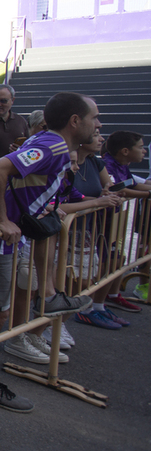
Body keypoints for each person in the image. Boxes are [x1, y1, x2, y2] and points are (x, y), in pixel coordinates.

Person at [0, 93, 98, 413]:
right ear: (75, 121)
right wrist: (2, 219)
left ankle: (50, 295)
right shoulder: (52, 145)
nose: (99, 124)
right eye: (95, 118)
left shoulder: (49, 140)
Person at [59, 130, 128, 330]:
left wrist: (106, 194)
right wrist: (99, 201)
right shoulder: (63, 167)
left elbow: (84, 195)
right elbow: (59, 204)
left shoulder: (94, 162)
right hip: (66, 231)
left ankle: (84, 311)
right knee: (63, 282)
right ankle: (53, 326)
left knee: (86, 277)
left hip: (88, 228)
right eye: (96, 133)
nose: (101, 139)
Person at [100, 130, 151, 305]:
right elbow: (116, 189)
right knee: (109, 261)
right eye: (141, 147)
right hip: (104, 222)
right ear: (125, 151)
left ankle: (113, 295)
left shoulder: (123, 165)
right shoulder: (108, 164)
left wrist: (148, 191)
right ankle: (97, 303)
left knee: (118, 259)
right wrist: (148, 194)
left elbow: (133, 184)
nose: (144, 151)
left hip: (117, 220)